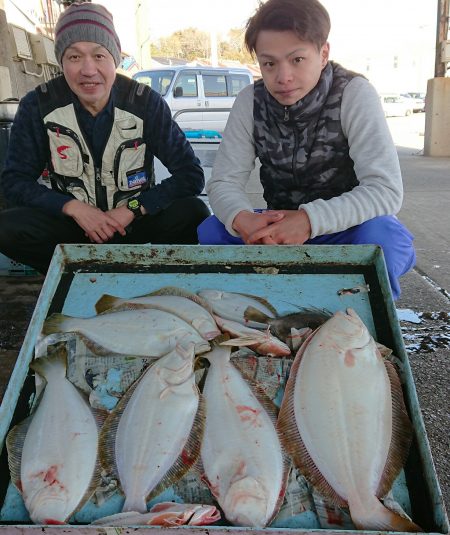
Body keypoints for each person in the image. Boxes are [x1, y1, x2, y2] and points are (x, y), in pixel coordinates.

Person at [197, 0, 416, 300]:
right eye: (269, 63)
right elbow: (223, 182)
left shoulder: (354, 94)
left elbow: (385, 191)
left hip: (345, 228)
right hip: (278, 229)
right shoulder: (250, 101)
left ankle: (366, 326)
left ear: (323, 53)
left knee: (382, 239)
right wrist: (243, 219)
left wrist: (309, 221)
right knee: (211, 230)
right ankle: (258, 308)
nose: (283, 77)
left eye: (297, 59)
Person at [0, 2, 210, 274]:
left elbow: (190, 176)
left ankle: (146, 271)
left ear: (115, 59)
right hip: (73, 227)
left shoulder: (145, 103)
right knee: (6, 228)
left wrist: (133, 209)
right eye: (74, 57)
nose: (88, 70)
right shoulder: (38, 105)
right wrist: (72, 207)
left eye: (99, 56)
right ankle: (73, 270)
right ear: (61, 61)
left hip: (131, 221)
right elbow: (14, 181)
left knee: (194, 213)